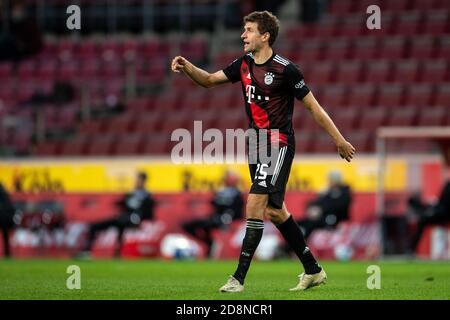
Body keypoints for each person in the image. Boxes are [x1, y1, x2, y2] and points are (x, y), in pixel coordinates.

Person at [171, 11, 355, 292]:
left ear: (265, 35)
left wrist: (339, 140)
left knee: (255, 203)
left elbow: (313, 108)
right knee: (276, 211)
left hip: (278, 142)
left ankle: (238, 279)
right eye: (243, 30)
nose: (243, 35)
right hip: (255, 144)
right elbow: (208, 80)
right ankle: (313, 270)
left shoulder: (286, 69)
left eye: (248, 30)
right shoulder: (243, 64)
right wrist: (187, 67)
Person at [78, 172, 155, 258]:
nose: (136, 181)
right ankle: (87, 252)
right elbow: (123, 205)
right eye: (136, 179)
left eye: (138, 179)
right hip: (124, 218)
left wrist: (138, 219)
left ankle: (118, 251)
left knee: (123, 222)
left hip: (133, 219)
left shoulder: (147, 195)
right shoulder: (131, 193)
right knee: (97, 226)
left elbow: (147, 212)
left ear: (143, 180)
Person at [183, 170, 244, 258]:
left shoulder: (237, 194)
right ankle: (209, 242)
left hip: (226, 220)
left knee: (206, 225)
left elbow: (236, 210)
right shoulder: (220, 192)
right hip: (216, 218)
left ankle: (210, 243)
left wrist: (227, 219)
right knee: (190, 225)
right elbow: (214, 204)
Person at [296, 170, 352, 240]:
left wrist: (320, 210)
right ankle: (290, 245)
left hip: (334, 218)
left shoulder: (344, 192)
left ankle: (296, 247)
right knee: (297, 222)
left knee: (311, 224)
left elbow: (339, 207)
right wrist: (312, 208)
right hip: (322, 216)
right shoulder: (328, 191)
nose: (329, 181)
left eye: (330, 179)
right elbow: (317, 202)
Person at [409, 180, 450, 252]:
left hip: (444, 214)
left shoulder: (448, 185)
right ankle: (412, 248)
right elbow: (442, 202)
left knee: (423, 220)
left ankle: (412, 248)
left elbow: (444, 205)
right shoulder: (447, 185)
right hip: (440, 211)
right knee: (424, 216)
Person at [0, 183, 16, 258]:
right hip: (6, 219)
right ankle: (7, 253)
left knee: (5, 236)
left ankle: (7, 253)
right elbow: (11, 209)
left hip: (3, 218)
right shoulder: (6, 196)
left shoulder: (3, 196)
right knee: (6, 237)